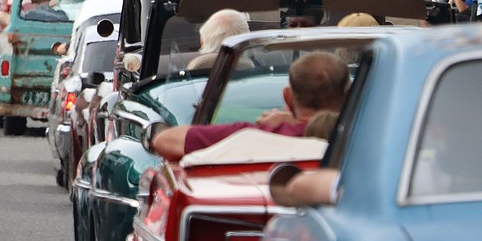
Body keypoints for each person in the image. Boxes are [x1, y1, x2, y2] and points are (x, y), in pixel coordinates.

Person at [150, 51, 350, 161]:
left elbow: (164, 141)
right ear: (348, 95)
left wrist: (277, 126)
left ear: (287, 98)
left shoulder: (252, 135)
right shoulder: (366, 141)